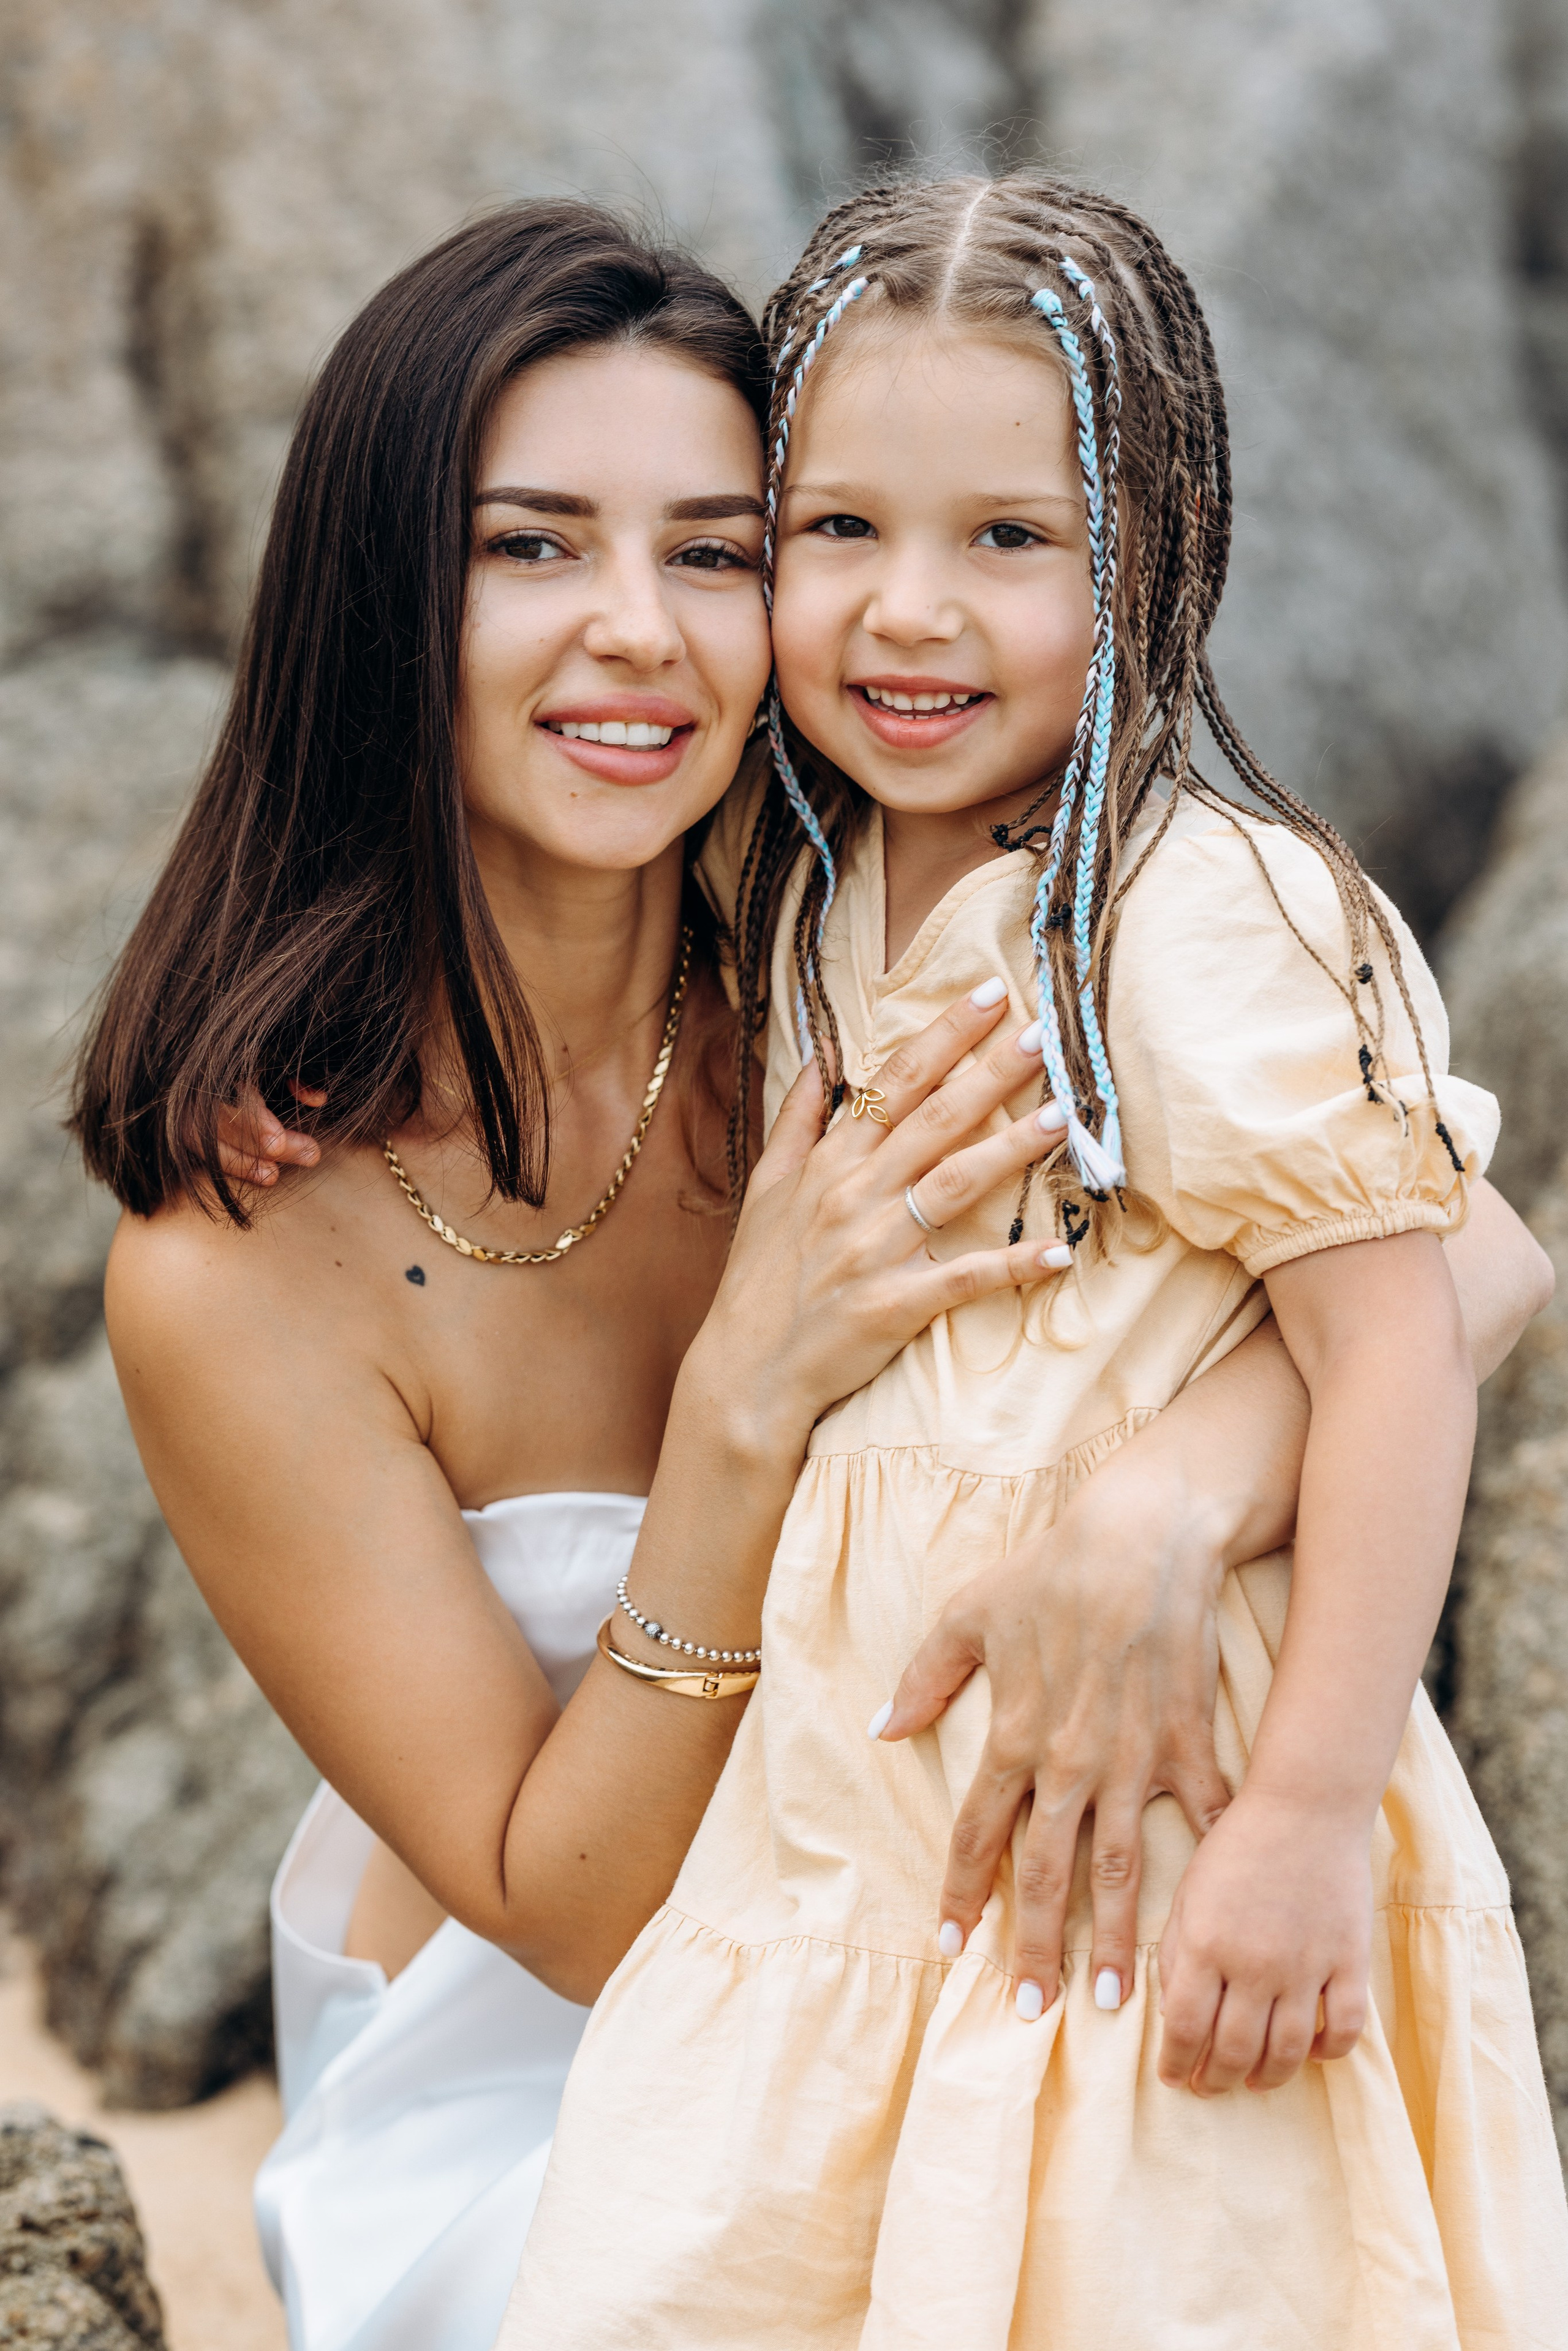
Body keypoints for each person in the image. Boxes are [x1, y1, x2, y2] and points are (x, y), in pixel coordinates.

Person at [68, 197, 1482, 2351]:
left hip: (964, 1956)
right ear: (378, 594)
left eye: (714, 549)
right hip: (573, 2054)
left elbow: (1467, 1255)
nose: (638, 630)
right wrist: (748, 1394)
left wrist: (1168, 1506)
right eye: (530, 546)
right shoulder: (242, 1266)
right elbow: (561, 1913)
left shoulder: (868, 936)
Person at [499, 173, 1568, 2349]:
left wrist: (1304, 1817)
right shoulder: (805, 900)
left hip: (1155, 1845)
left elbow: (1398, 1349)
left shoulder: (1201, 911)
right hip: (842, 1839)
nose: (913, 615)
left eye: (1014, 540)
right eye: (839, 533)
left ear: (1151, 557)